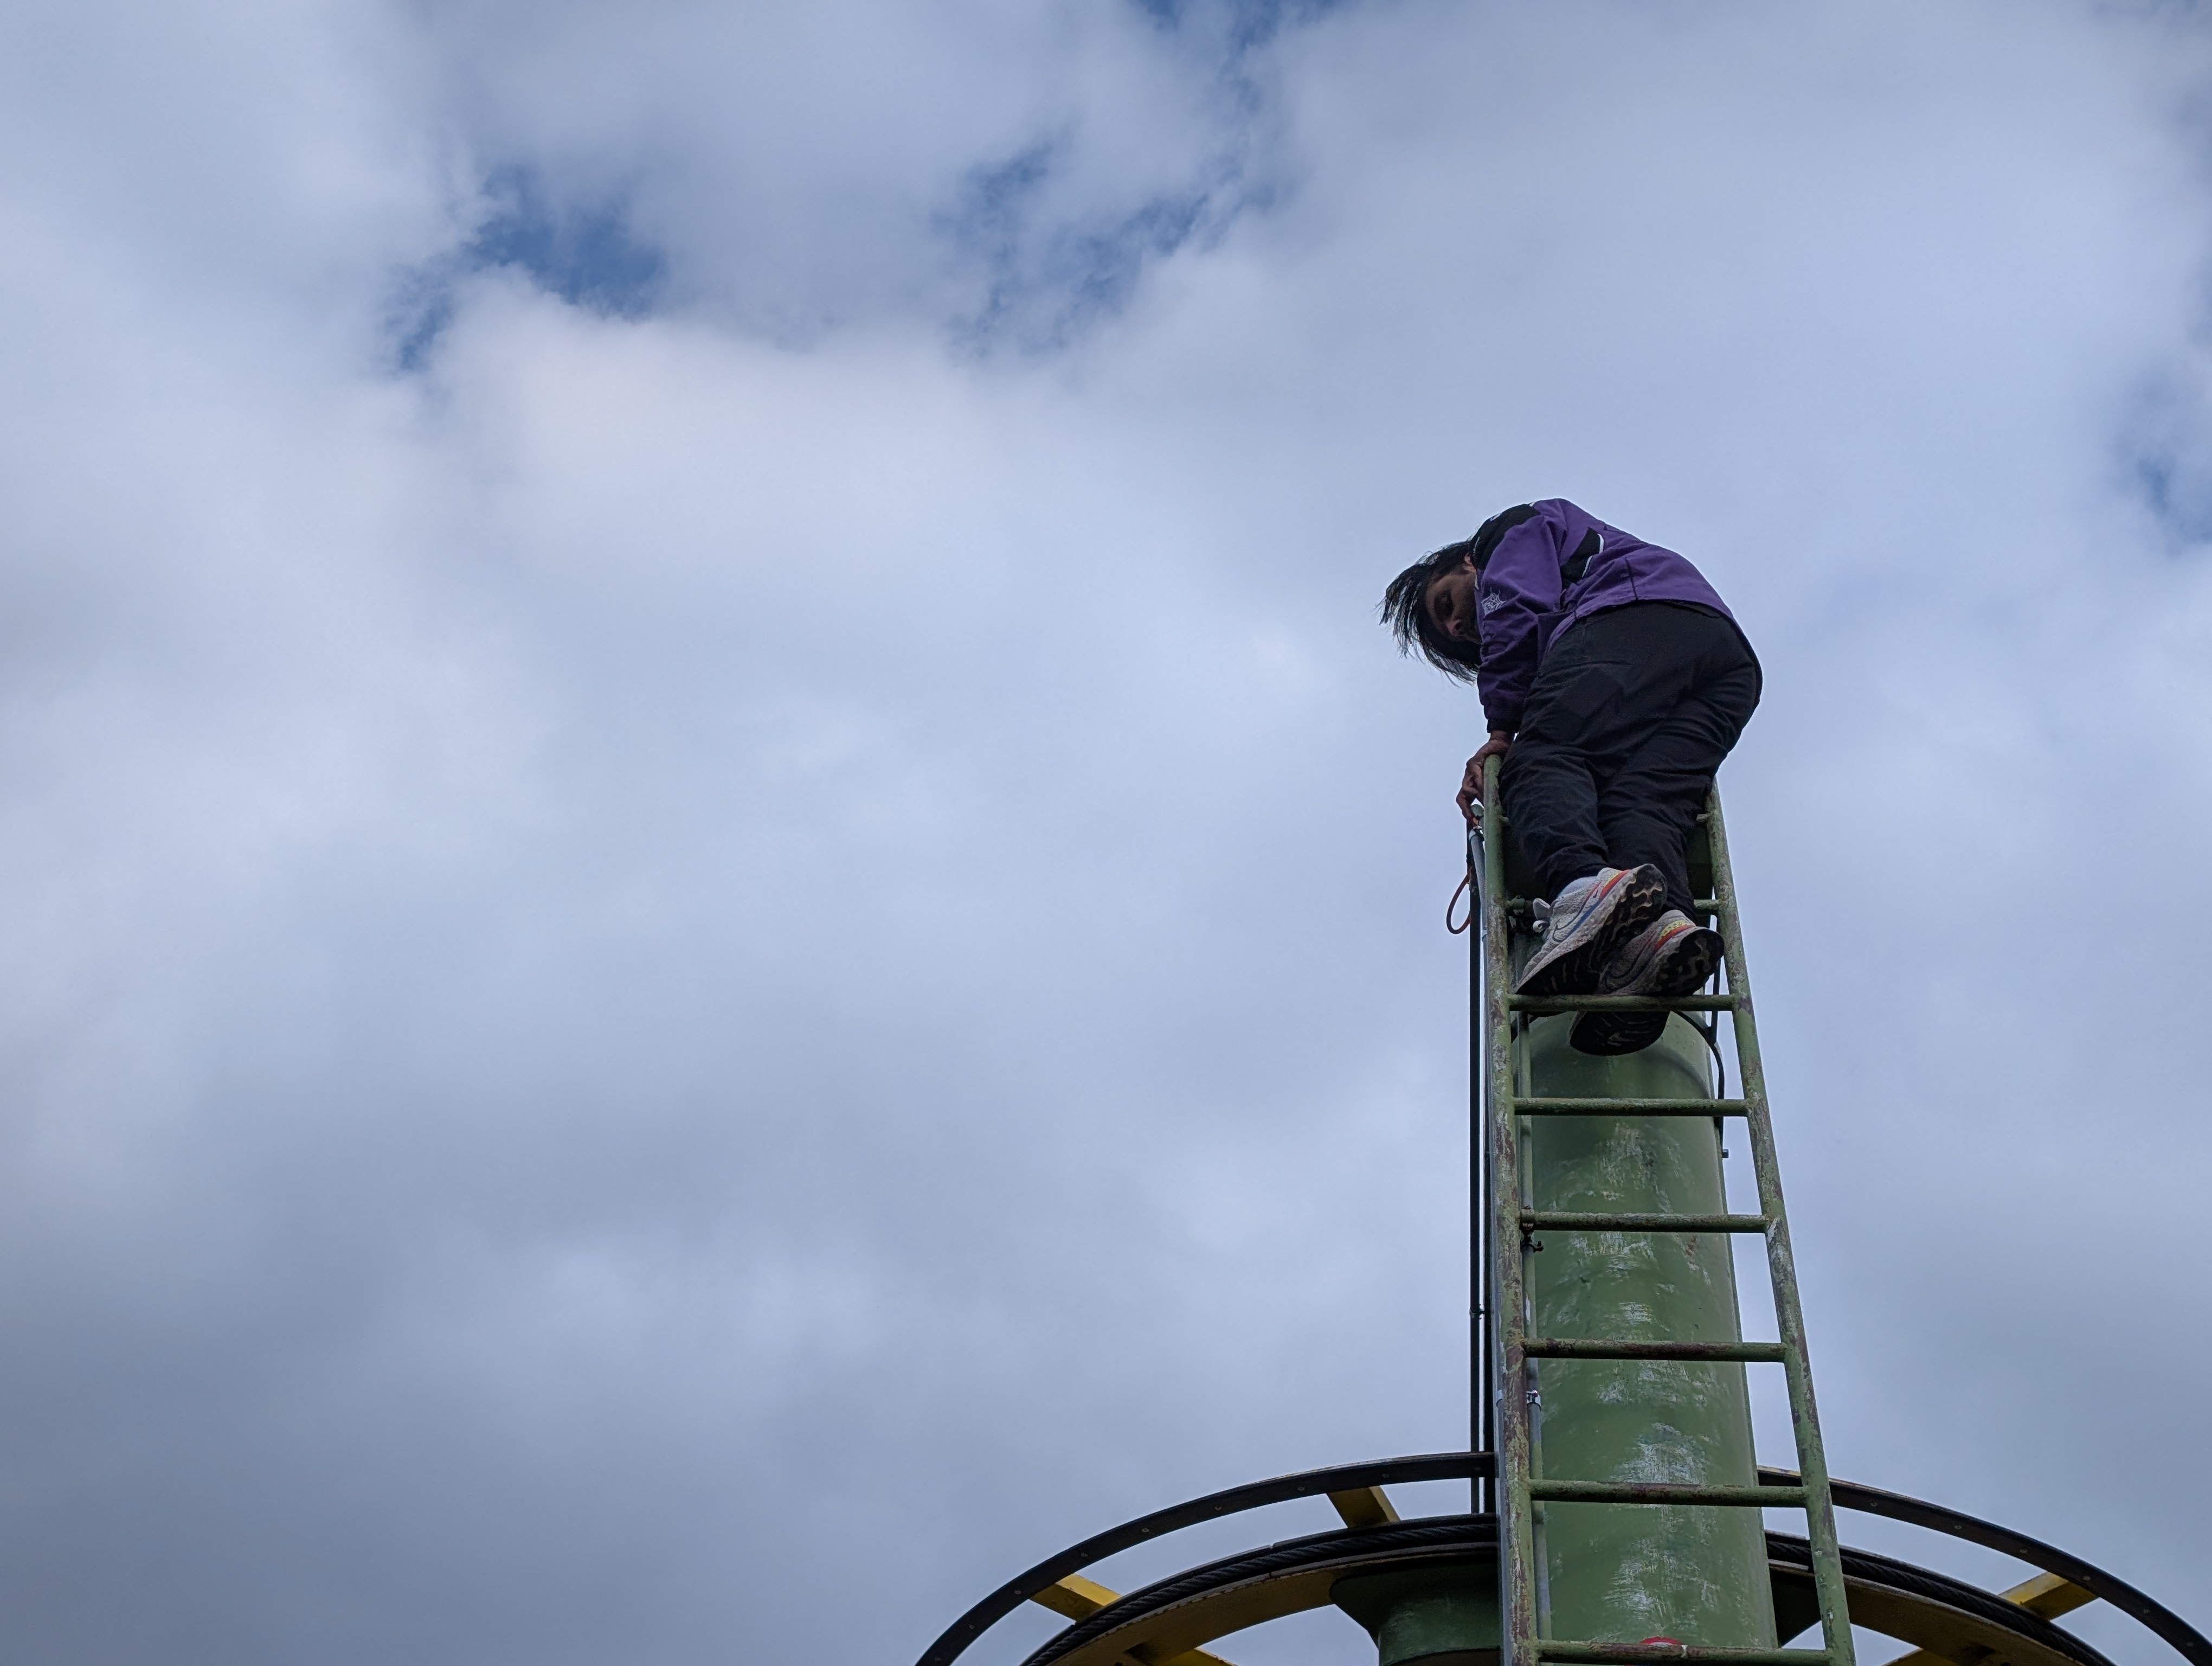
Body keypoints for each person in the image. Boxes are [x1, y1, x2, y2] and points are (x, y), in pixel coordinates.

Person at [1380, 500, 1761, 1054]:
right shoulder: (1569, 602)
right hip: (1725, 665)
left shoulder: (1508, 534)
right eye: (1457, 636)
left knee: (1539, 759)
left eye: (1447, 603)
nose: (1460, 625)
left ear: (1466, 563)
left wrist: (1503, 732)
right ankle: (1660, 934)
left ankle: (1581, 892)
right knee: (1641, 802)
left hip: (1635, 614)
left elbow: (1514, 611)